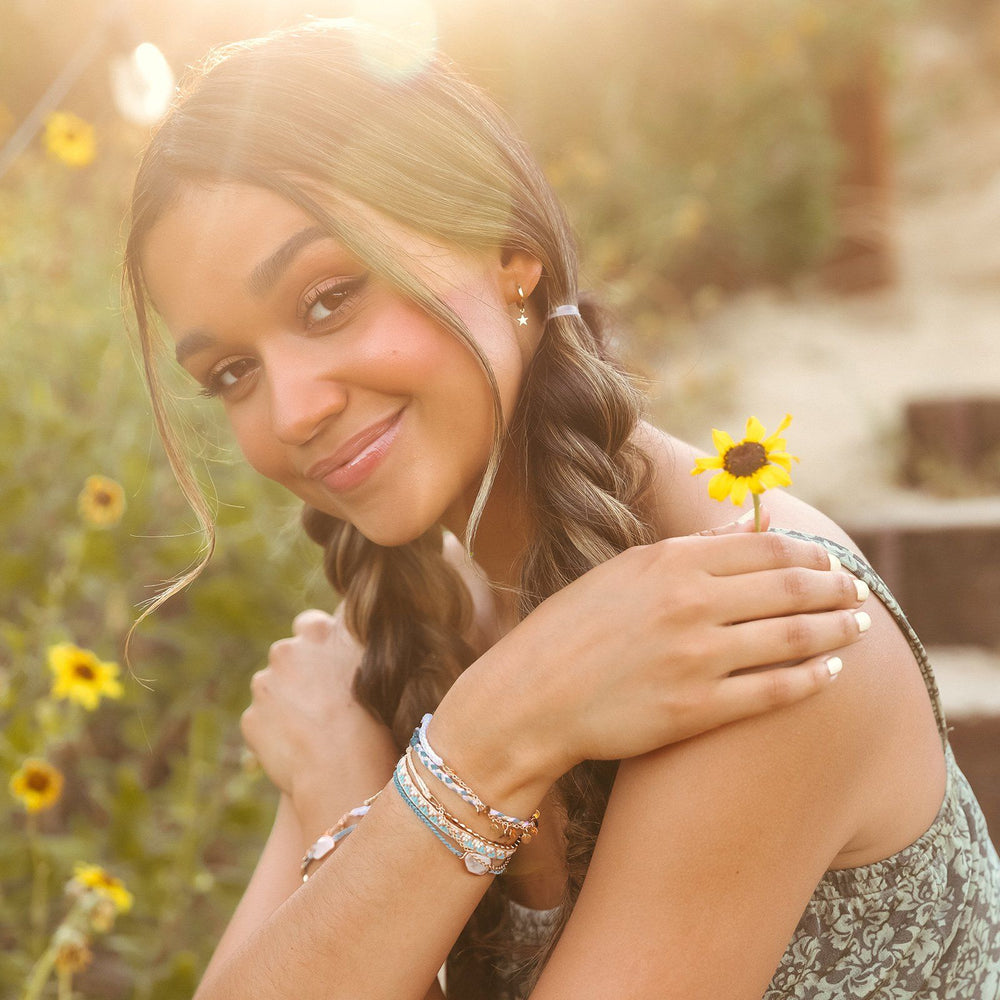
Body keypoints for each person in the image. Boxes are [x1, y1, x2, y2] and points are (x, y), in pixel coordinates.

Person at [123, 19, 1000, 1000]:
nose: (291, 410)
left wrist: (455, 749)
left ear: (509, 246)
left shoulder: (754, 613)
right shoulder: (411, 624)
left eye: (328, 298)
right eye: (232, 372)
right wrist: (397, 776)